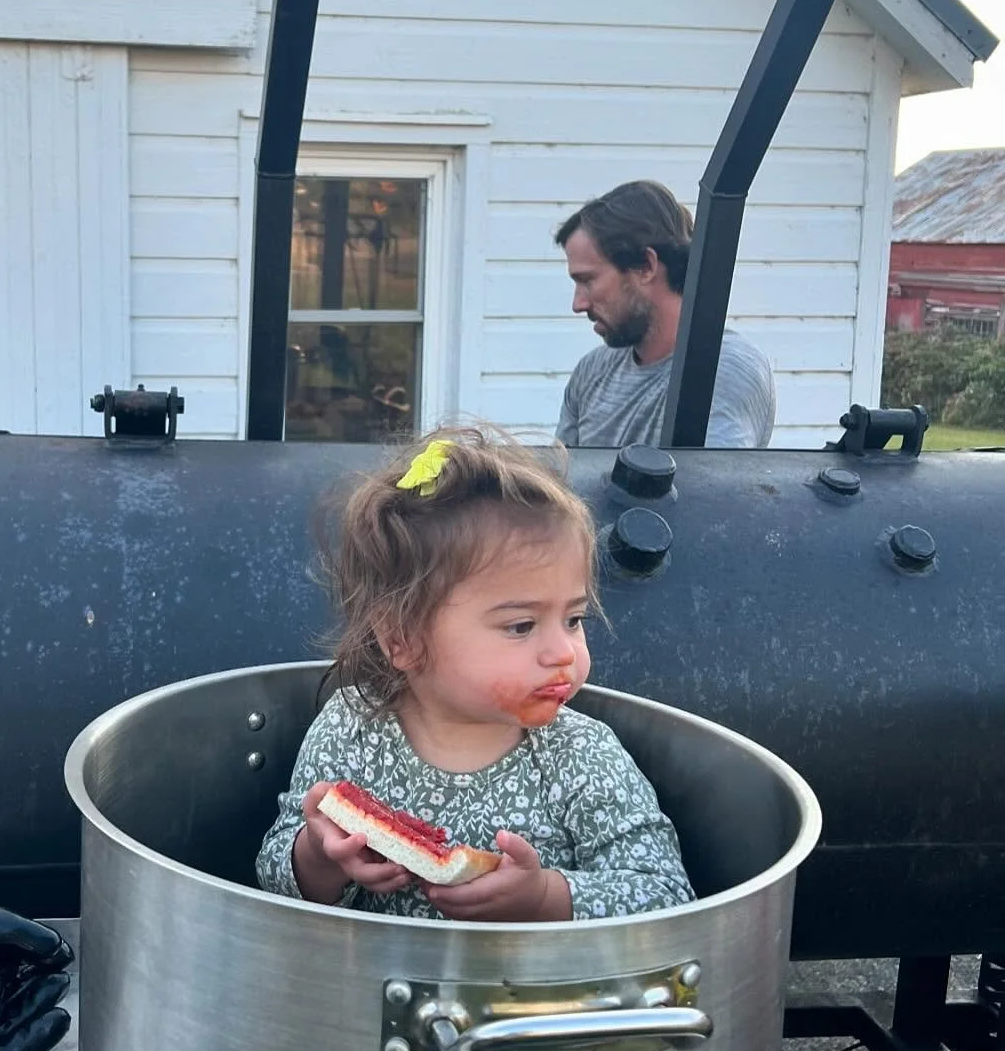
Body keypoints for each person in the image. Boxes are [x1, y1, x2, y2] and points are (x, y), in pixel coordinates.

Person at [255, 428, 694, 922]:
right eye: (521, 626)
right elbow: (274, 880)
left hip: (531, 998)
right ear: (402, 639)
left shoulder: (582, 753)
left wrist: (545, 898)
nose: (563, 653)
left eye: (574, 619)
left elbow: (666, 895)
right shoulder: (351, 726)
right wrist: (320, 858)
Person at [553, 180, 776, 448]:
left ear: (647, 266)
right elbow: (558, 486)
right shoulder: (591, 372)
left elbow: (710, 488)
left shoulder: (724, 370)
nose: (578, 304)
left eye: (587, 280)